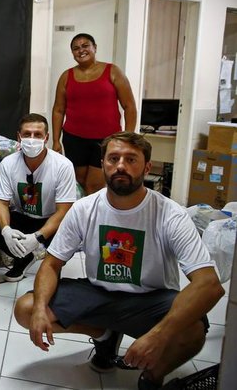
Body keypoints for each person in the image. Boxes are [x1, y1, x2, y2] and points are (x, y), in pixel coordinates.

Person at [14, 132, 224, 390]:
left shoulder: (171, 214)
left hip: (150, 300)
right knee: (27, 307)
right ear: (103, 164)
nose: (121, 166)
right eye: (113, 158)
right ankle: (103, 334)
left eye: (131, 159)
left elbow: (209, 284)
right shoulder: (84, 208)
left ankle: (153, 376)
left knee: (193, 330)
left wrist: (158, 336)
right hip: (97, 294)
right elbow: (51, 263)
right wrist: (39, 311)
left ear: (147, 167)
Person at [0, 113, 77, 282]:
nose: (32, 139)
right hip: (24, 218)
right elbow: (2, 203)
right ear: (19, 137)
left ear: (46, 137)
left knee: (68, 239)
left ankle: (52, 264)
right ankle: (24, 258)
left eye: (38, 135)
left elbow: (64, 211)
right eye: (27, 134)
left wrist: (38, 237)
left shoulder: (63, 166)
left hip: (52, 221)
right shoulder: (8, 163)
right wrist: (6, 231)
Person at [51, 33, 137, 195]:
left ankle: (92, 218)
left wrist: (128, 137)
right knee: (80, 183)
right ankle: (82, 217)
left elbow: (129, 106)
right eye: (76, 48)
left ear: (94, 48)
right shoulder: (66, 76)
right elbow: (58, 110)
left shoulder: (113, 71)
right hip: (74, 139)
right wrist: (56, 141)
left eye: (85, 46)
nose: (81, 50)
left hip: (106, 140)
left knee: (94, 186)